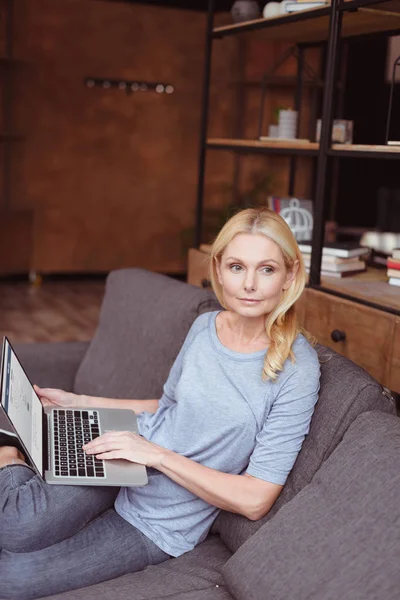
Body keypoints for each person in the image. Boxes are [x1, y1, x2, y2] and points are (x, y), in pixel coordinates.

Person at [0, 208, 320, 600]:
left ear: (289, 275)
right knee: (18, 526)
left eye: (266, 269)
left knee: (9, 576)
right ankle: (16, 460)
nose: (250, 284)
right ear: (218, 270)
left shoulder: (297, 369)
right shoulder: (205, 327)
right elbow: (167, 404)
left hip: (157, 521)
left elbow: (255, 499)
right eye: (237, 266)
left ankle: (9, 460)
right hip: (124, 459)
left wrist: (155, 455)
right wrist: (77, 400)